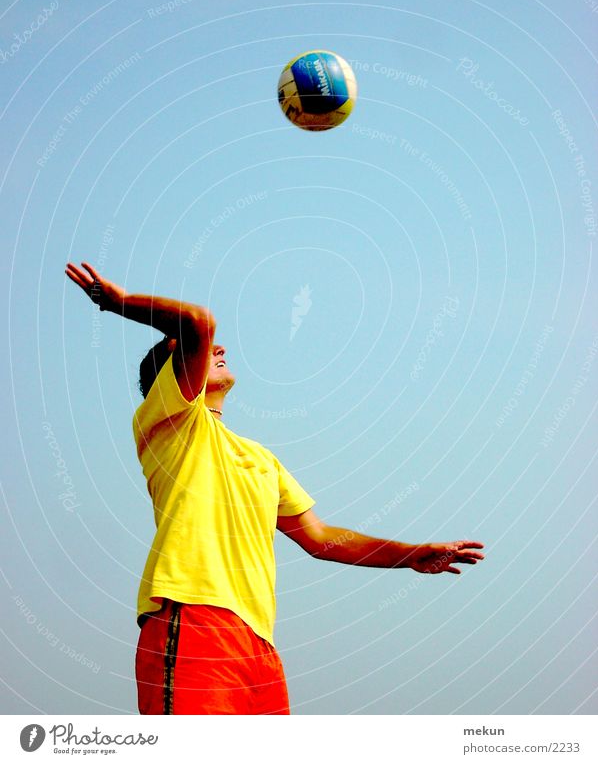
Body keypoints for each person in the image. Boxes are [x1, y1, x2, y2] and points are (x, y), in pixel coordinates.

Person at [65, 260, 485, 715]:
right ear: (172, 376)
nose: (217, 346)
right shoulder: (167, 423)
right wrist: (119, 303)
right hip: (191, 616)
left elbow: (322, 540)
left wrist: (410, 554)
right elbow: (197, 321)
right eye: (194, 350)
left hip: (258, 643)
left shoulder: (261, 459)